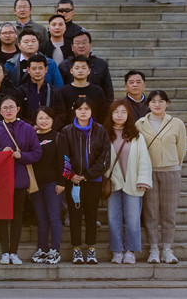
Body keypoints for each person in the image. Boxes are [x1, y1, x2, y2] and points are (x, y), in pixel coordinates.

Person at [0, 96, 42, 265]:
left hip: (20, 177)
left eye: (11, 107)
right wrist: (0, 151)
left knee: (17, 215)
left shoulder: (27, 129)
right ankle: (4, 252)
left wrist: (22, 155)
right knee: (2, 216)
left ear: (18, 109)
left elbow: (37, 153)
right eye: (5, 108)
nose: (8, 110)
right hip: (1, 179)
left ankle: (14, 252)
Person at [138, 89, 187, 264]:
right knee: (150, 212)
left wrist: (174, 165)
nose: (157, 105)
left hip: (171, 171)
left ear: (167, 103)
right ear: (148, 104)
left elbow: (181, 149)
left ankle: (167, 249)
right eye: (153, 101)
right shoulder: (140, 124)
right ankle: (153, 249)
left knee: (169, 213)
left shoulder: (177, 123)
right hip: (148, 172)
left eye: (161, 101)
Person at [59, 96, 109, 264]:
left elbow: (104, 157)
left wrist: (88, 175)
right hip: (73, 181)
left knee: (91, 215)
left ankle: (91, 249)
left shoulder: (100, 130)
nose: (83, 112)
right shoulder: (66, 131)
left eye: (86, 109)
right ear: (75, 111)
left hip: (93, 181)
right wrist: (71, 175)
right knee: (74, 215)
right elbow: (63, 156)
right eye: (80, 109)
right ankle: (76, 250)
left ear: (91, 111)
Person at [105, 98, 153, 264]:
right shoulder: (105, 134)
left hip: (133, 182)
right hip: (112, 183)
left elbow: (144, 159)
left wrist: (143, 180)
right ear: (111, 114)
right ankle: (117, 251)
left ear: (128, 115)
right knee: (113, 219)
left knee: (133, 219)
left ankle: (130, 251)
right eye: (116, 112)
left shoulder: (136, 136)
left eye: (123, 112)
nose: (119, 115)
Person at [28, 106, 65, 264]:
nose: (44, 121)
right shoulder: (31, 137)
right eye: (40, 118)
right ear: (36, 120)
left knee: (54, 217)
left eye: (47, 118)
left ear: (53, 120)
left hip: (53, 183)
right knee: (41, 218)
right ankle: (42, 248)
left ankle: (55, 249)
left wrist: (62, 182)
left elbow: (65, 160)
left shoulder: (58, 136)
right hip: (36, 184)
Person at [63, 57, 109, 122]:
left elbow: (103, 113)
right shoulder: (63, 92)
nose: (80, 70)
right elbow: (61, 114)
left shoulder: (97, 91)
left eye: (83, 68)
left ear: (89, 71)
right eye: (77, 68)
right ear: (71, 71)